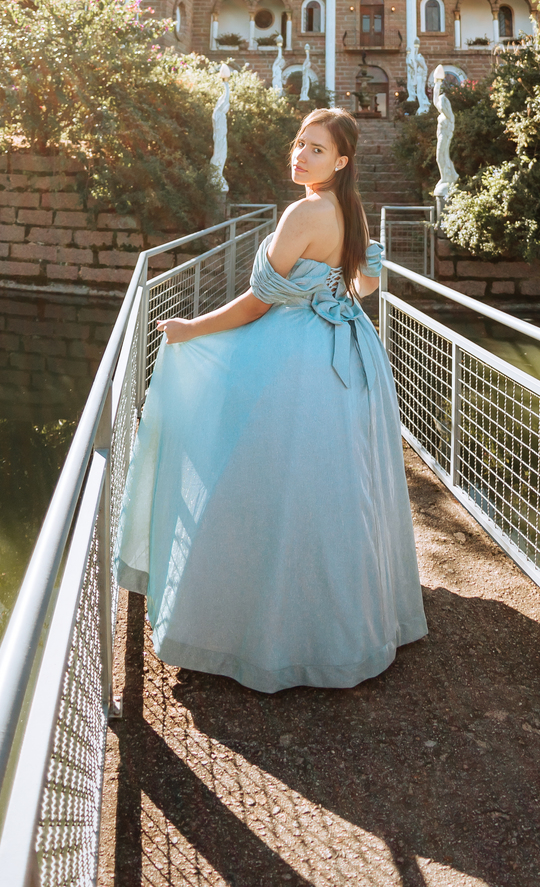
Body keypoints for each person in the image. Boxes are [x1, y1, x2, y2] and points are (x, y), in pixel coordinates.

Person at [113, 107, 428, 693]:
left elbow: (257, 304)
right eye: (300, 143)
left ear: (341, 160)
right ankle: (341, 632)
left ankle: (260, 630)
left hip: (296, 355)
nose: (300, 155)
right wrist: (330, 289)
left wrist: (191, 328)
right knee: (333, 486)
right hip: (347, 348)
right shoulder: (350, 209)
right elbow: (364, 284)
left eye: (316, 149)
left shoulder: (303, 212)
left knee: (262, 478)